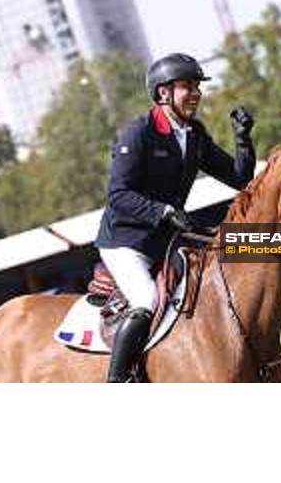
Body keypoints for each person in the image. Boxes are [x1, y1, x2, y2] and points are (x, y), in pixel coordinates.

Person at [95, 53, 256, 382]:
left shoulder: (193, 134)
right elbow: (118, 196)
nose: (196, 92)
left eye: (197, 86)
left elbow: (240, 179)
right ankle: (118, 380)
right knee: (147, 300)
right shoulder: (138, 133)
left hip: (167, 239)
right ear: (163, 93)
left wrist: (243, 140)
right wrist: (165, 212)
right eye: (187, 86)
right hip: (127, 242)